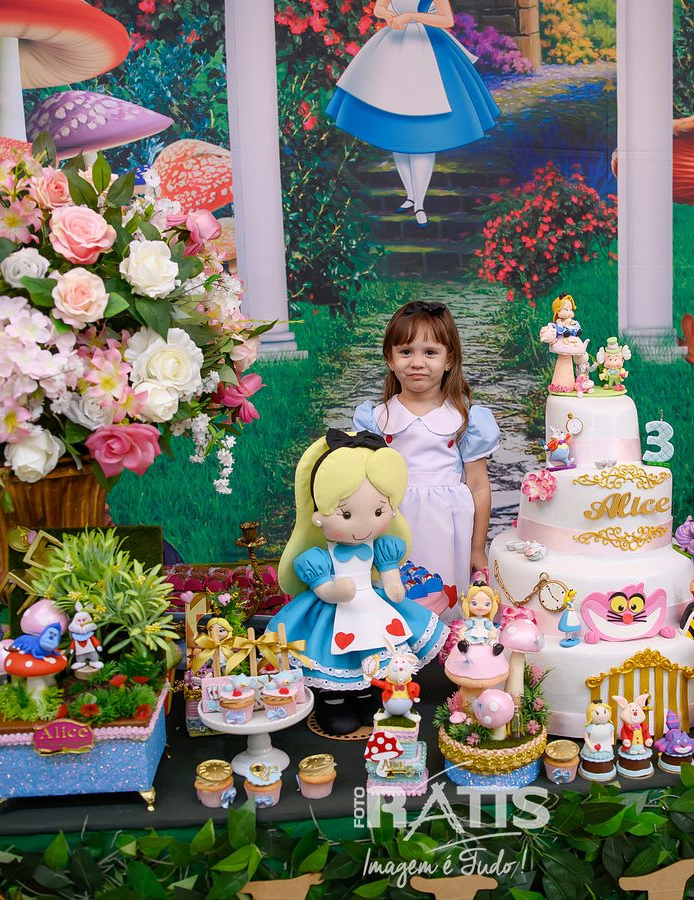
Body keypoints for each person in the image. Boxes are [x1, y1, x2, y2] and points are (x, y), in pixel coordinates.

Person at [271, 430, 448, 736]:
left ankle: (366, 694)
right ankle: (333, 699)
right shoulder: (317, 558)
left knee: (374, 649)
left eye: (379, 511)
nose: (363, 525)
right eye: (346, 514)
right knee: (334, 652)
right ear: (318, 515)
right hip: (334, 609)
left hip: (372, 606)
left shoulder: (383, 547)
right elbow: (324, 589)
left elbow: (391, 580)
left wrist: (394, 587)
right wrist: (333, 590)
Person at [354, 301, 499, 620]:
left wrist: (477, 547)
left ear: (449, 360)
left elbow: (478, 486)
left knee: (443, 596)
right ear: (390, 359)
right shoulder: (378, 419)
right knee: (395, 594)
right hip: (393, 519)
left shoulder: (463, 419)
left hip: (446, 523)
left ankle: (446, 642)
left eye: (430, 352)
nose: (417, 362)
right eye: (406, 352)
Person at [325, 0, 500, 225]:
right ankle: (411, 196)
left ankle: (419, 203)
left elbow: (446, 19)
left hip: (429, 51)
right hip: (394, 48)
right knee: (398, 130)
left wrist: (411, 16)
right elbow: (379, 8)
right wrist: (390, 16)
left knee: (423, 135)